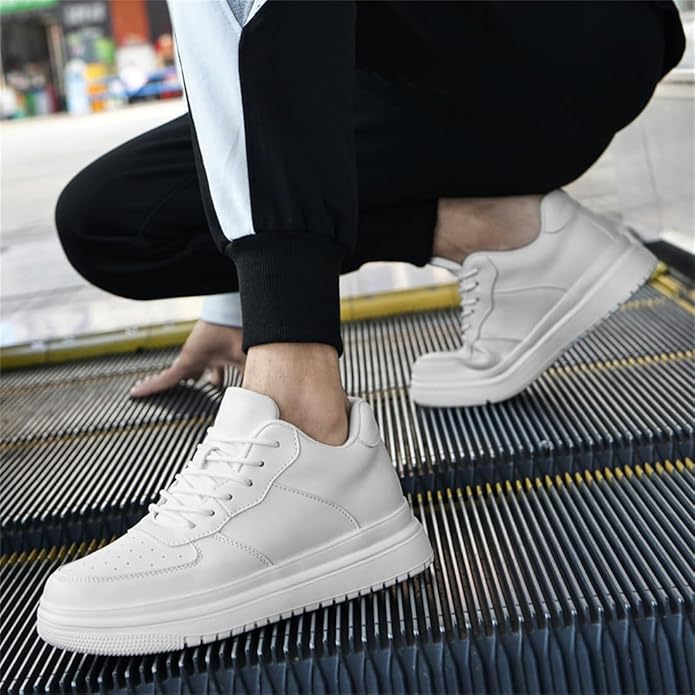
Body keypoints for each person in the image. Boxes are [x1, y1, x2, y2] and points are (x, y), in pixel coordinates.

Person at [37, 1, 684, 655]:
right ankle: (494, 232)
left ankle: (301, 418)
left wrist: (281, 307)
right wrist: (239, 299)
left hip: (563, 34)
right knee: (111, 220)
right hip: (426, 83)